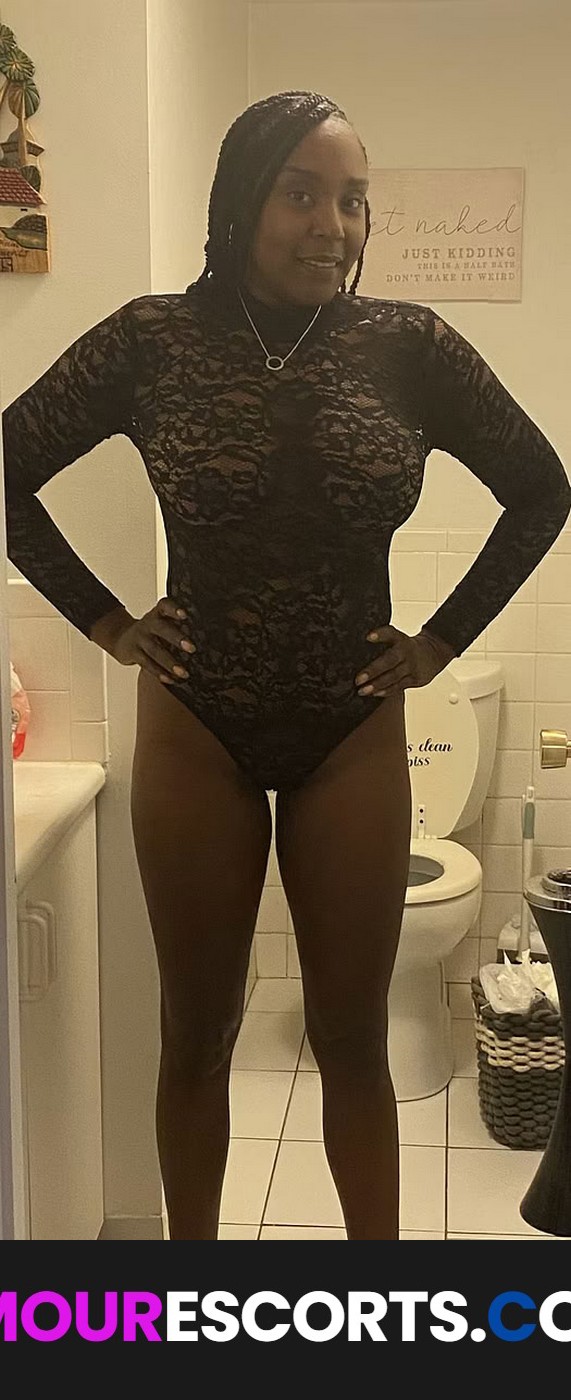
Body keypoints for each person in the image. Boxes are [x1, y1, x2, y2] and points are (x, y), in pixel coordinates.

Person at [3, 90, 570, 1242]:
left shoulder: (409, 345)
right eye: (301, 194)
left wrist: (441, 639)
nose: (334, 225)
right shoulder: (152, 339)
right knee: (195, 1033)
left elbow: (540, 488)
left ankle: (375, 1301)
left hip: (350, 727)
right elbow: (8, 464)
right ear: (239, 200)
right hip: (195, 722)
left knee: (352, 1039)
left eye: (353, 200)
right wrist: (106, 623)